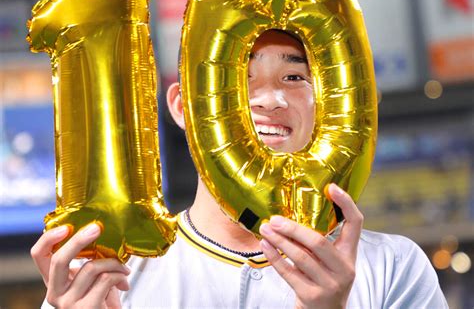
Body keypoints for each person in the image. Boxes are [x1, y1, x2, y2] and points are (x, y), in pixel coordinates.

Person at [32, 30, 447, 308]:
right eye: (239, 77)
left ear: (326, 105)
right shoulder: (109, 277)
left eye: (293, 76)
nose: (270, 99)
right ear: (181, 107)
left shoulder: (391, 264)